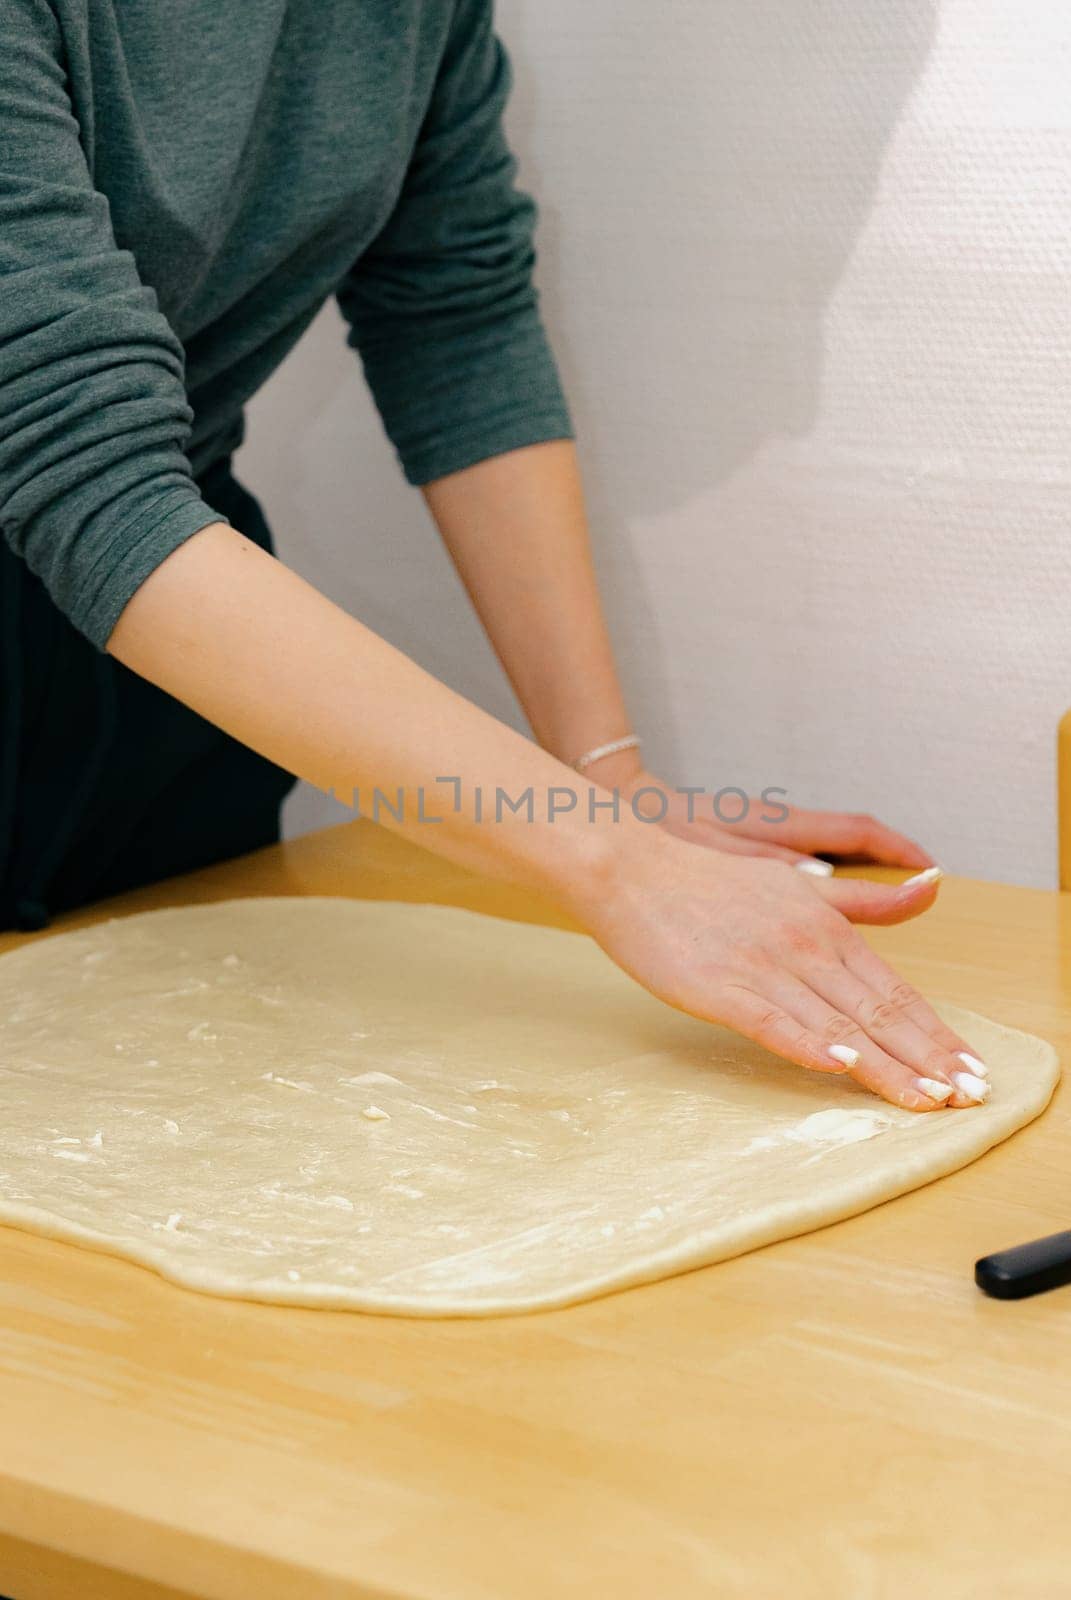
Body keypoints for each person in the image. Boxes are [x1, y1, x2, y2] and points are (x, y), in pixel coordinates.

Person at [0, 0, 991, 1111]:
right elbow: (78, 465)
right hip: (130, 551)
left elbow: (454, 309)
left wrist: (606, 782)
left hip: (164, 651)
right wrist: (616, 868)